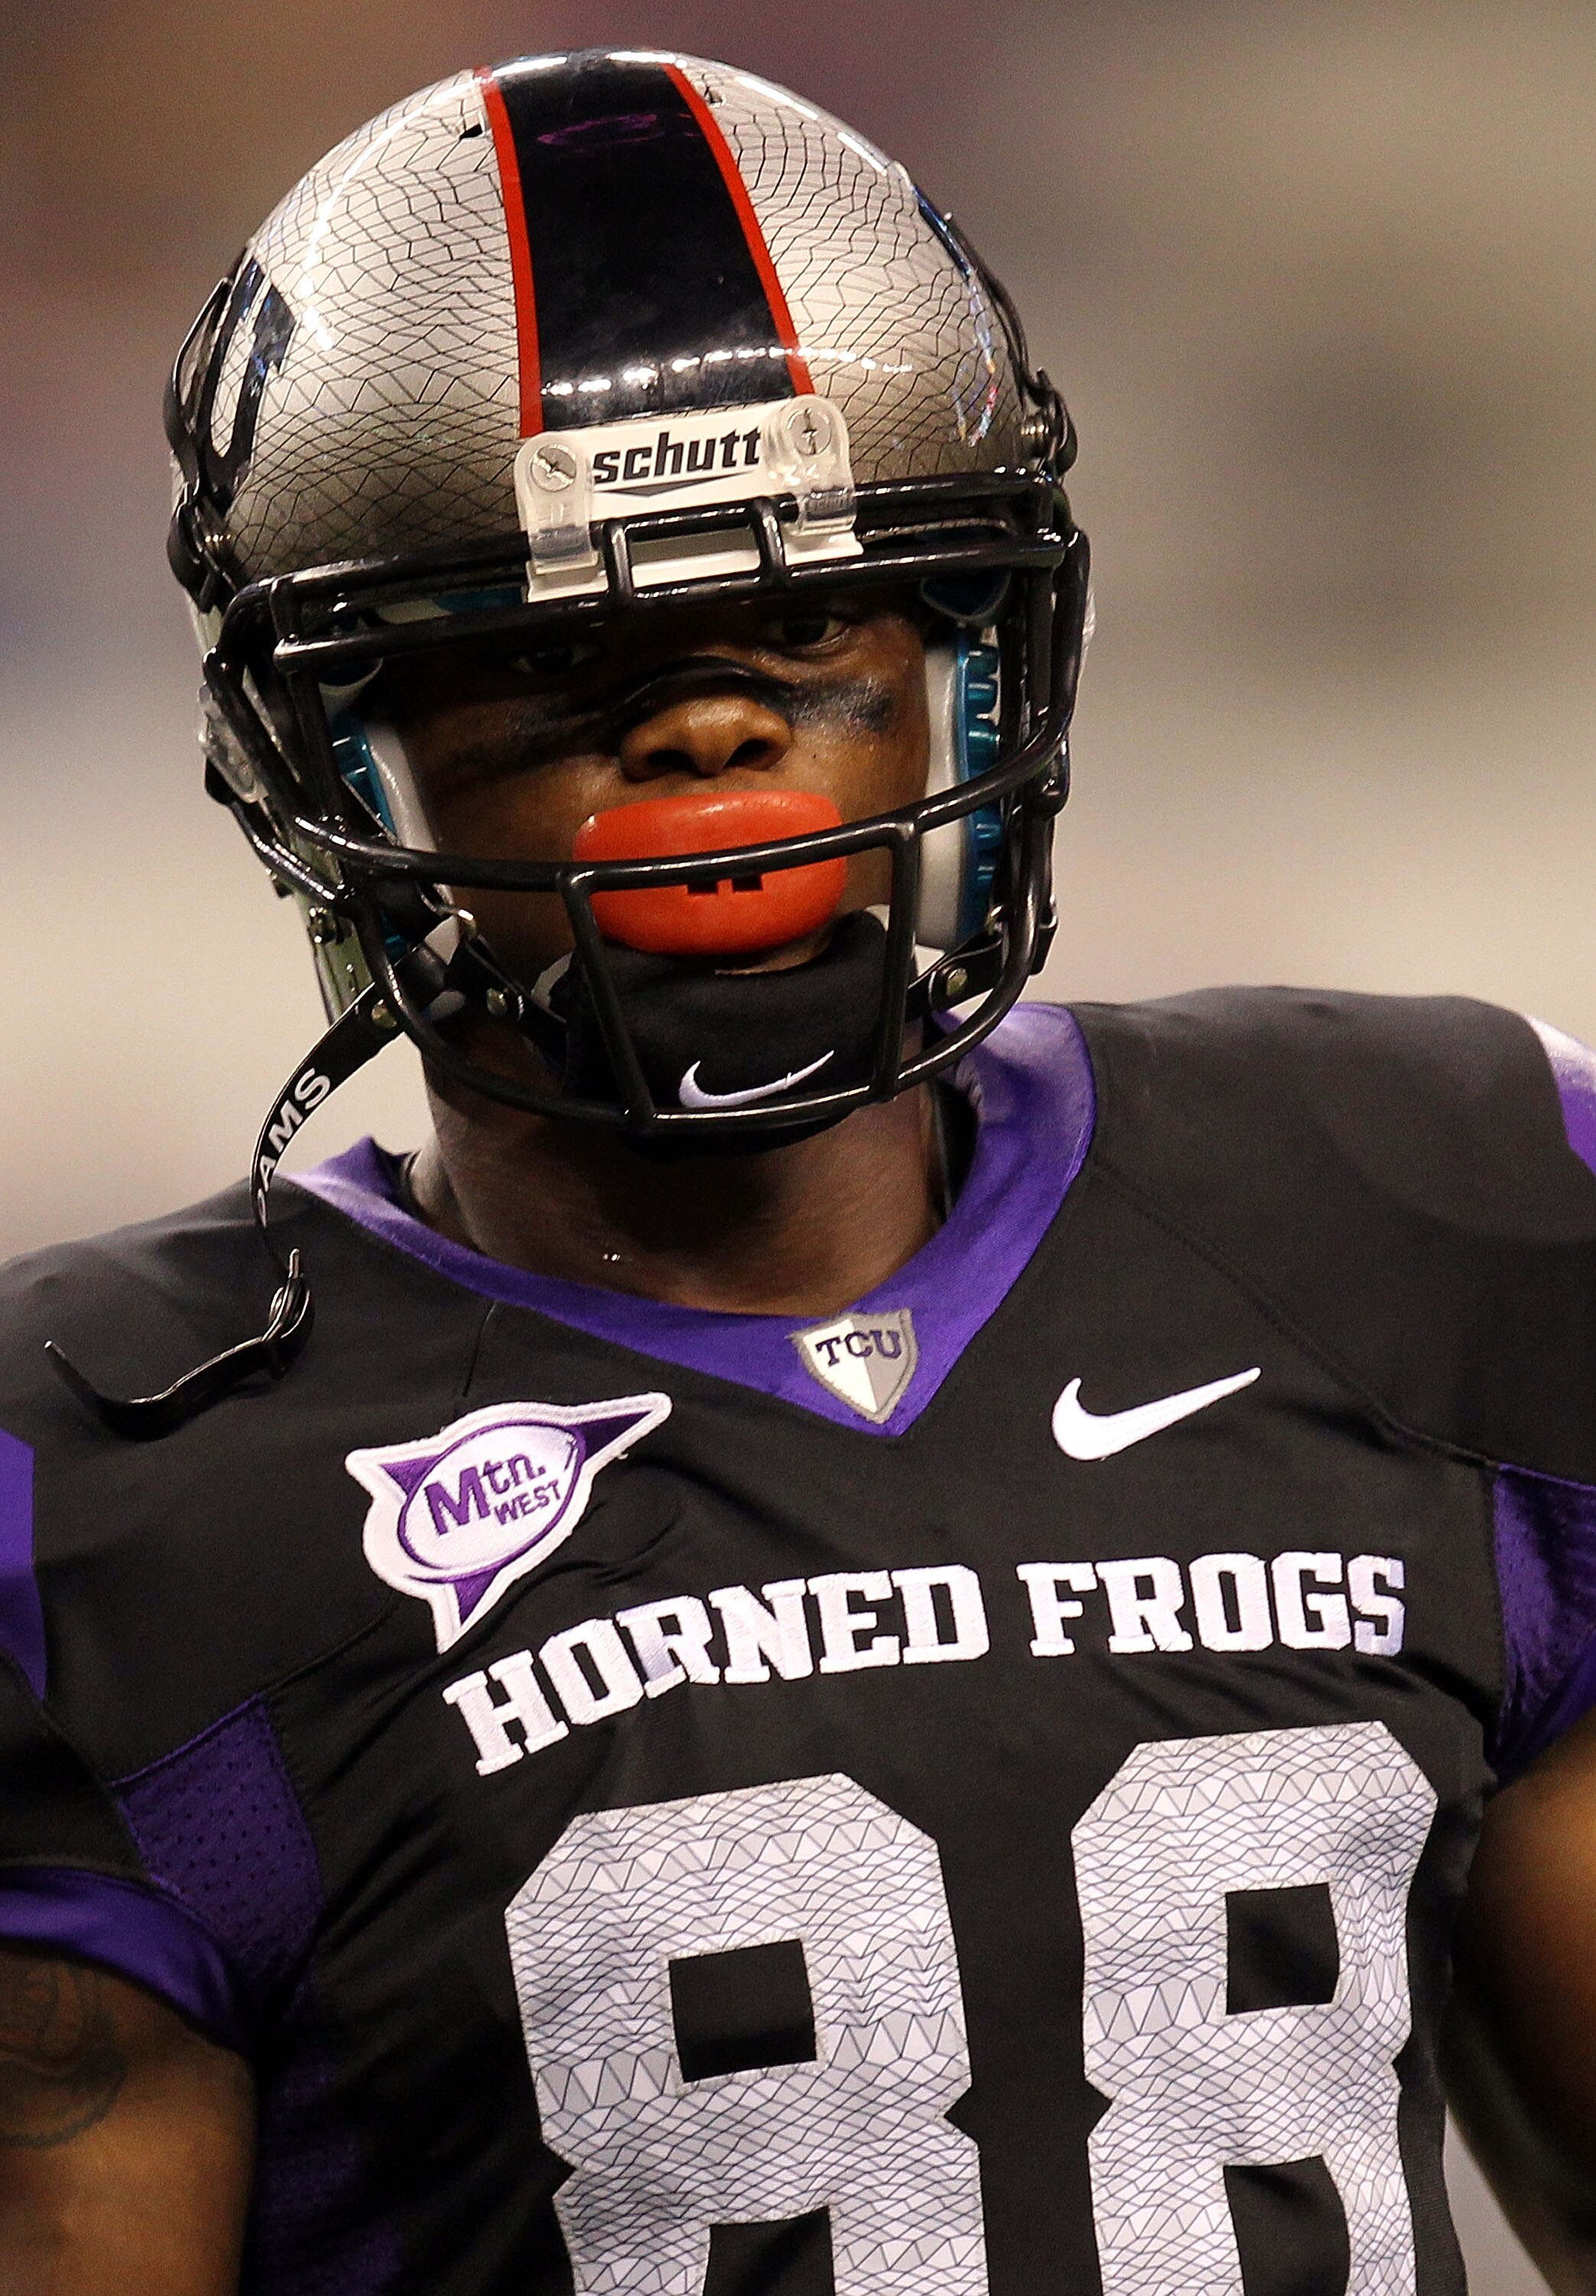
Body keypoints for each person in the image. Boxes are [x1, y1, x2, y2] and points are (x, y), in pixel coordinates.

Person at [0, 43, 1591, 2296]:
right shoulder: (117, 1500)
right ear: (335, 759)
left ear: (971, 668)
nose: (710, 730)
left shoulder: (1432, 1219)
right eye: (564, 664)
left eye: (813, 623)